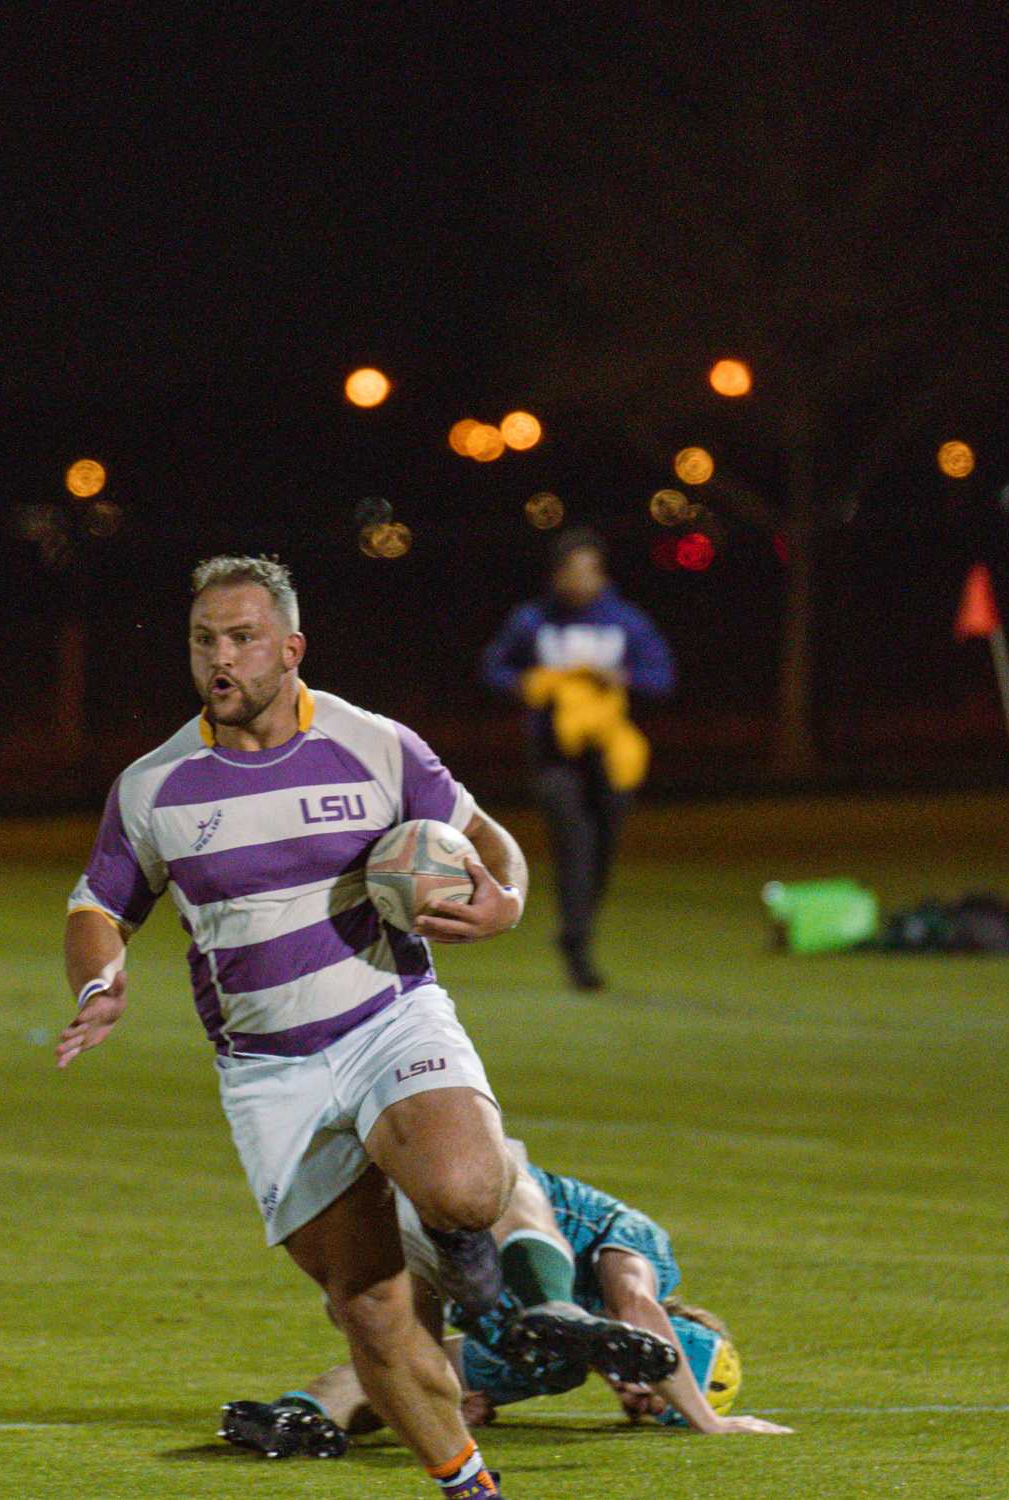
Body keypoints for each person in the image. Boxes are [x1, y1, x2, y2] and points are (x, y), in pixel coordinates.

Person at [58, 555, 616, 1500]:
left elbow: (488, 840)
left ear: (290, 647)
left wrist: (508, 902)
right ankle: (469, 1486)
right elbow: (97, 908)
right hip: (267, 1072)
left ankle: (474, 1251)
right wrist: (97, 985)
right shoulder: (155, 786)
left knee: (469, 1187)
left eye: (240, 640)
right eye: (203, 641)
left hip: (387, 1020)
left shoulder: (377, 745)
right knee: (369, 1307)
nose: (218, 660)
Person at [220, 1142, 791, 1458]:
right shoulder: (647, 1255)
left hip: (414, 1243)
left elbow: (443, 1363)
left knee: (408, 1365)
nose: (642, 1402)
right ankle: (547, 1296)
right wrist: (708, 1422)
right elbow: (634, 1307)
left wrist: (454, 1405)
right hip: (467, 1188)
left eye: (646, 1413)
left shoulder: (554, 1365)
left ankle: (293, 1415)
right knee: (508, 1189)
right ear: (676, 1345)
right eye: (659, 1393)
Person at [480, 530, 676, 990]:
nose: (579, 580)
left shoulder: (624, 621)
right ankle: (577, 943)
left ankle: (580, 931)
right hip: (555, 757)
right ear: (556, 574)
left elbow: (662, 677)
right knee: (575, 848)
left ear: (602, 574)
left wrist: (621, 677)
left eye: (588, 570)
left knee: (603, 848)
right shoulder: (533, 621)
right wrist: (531, 683)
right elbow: (493, 668)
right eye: (571, 570)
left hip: (608, 757)